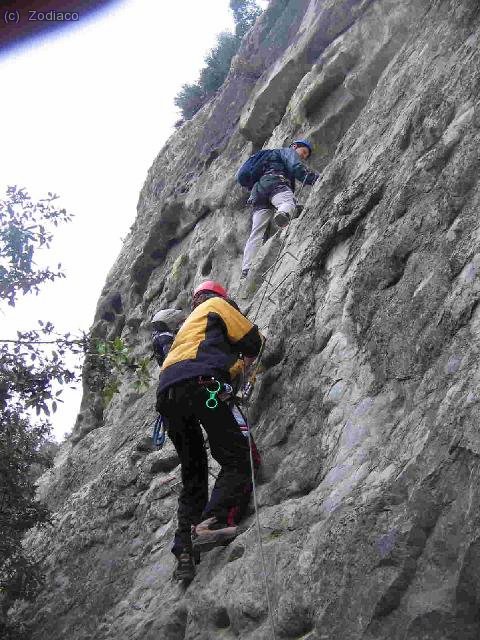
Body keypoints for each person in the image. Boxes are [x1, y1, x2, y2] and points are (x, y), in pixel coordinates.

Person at [156, 281, 264, 581]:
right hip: (203, 385)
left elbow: (205, 357)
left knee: (194, 473)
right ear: (220, 297)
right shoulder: (217, 306)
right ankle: (212, 523)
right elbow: (253, 341)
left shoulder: (185, 331)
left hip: (167, 395)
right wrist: (244, 363)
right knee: (239, 457)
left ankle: (186, 551)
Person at [241, 139, 319, 279]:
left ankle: (246, 269)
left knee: (257, 231)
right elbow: (296, 167)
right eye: (304, 151)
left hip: (257, 193)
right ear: (295, 146)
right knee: (288, 202)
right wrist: (314, 178)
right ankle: (283, 214)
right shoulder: (286, 151)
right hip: (276, 183)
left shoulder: (267, 158)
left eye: (306, 156)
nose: (304, 156)